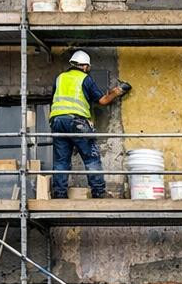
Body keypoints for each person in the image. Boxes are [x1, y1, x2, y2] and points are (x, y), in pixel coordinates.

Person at [49, 50, 128, 199]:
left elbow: (54, 99)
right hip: (76, 122)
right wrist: (117, 92)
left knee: (61, 161)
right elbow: (103, 101)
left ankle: (59, 194)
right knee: (91, 157)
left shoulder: (60, 78)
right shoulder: (84, 78)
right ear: (85, 66)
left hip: (57, 121)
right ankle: (98, 192)